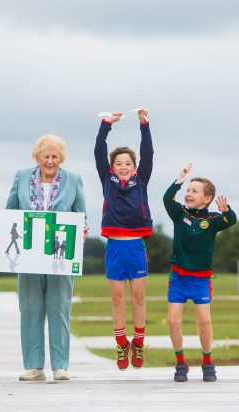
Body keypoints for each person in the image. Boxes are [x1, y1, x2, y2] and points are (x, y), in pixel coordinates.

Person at [5, 134, 87, 382]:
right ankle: (34, 366)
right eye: (46, 156)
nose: (50, 161)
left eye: (55, 156)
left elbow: (80, 214)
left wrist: (82, 228)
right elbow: (11, 209)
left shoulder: (73, 180)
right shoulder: (21, 177)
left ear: (61, 158)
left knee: (60, 308)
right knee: (30, 308)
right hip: (29, 255)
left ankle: (60, 366)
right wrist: (3, 226)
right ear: (37, 157)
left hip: (59, 254)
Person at [162, 163, 236, 382]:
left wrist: (227, 210)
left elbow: (230, 220)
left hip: (200, 280)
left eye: (195, 191)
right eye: (188, 190)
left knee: (204, 321)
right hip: (178, 279)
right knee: (173, 322)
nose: (189, 194)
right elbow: (167, 199)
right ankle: (181, 363)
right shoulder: (179, 214)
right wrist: (180, 180)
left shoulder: (212, 220)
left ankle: (207, 361)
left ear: (207, 198)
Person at [93, 109, 154, 371]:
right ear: (112, 167)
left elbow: (149, 153)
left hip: (136, 245)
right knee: (118, 298)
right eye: (119, 163)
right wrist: (106, 125)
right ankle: (121, 344)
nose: (124, 167)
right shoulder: (107, 179)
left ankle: (138, 342)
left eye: (128, 163)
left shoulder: (141, 180)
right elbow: (98, 150)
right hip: (115, 246)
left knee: (138, 297)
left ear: (135, 166)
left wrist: (144, 125)